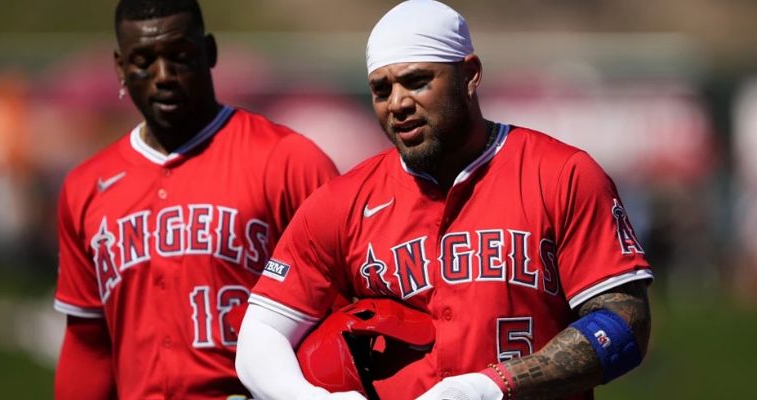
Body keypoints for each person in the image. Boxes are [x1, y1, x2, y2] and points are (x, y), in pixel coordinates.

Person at [235, 0, 652, 399]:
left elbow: (624, 325)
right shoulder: (342, 203)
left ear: (470, 74)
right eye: (382, 89)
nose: (397, 103)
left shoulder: (561, 175)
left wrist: (491, 386)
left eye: (417, 81)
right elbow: (263, 333)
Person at [53, 0, 338, 398]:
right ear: (120, 67)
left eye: (180, 56)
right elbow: (88, 343)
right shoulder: (87, 186)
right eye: (143, 61)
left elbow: (342, 316)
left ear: (210, 52)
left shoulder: (288, 161)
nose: (163, 76)